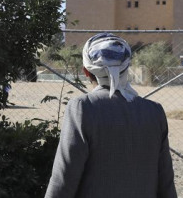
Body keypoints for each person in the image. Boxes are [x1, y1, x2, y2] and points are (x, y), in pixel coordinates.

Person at [45, 33, 176, 198]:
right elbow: (166, 183)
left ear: (86, 71)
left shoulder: (83, 108)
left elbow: (64, 179)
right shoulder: (154, 112)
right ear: (126, 68)